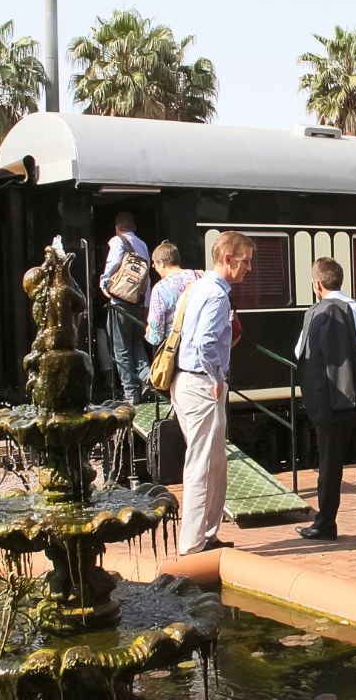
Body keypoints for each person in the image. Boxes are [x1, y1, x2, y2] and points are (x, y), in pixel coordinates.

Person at [294, 257, 356, 544]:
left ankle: (325, 524)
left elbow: (300, 351)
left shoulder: (315, 313)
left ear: (317, 285)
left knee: (330, 464)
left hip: (332, 401)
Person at [173, 230, 253, 555]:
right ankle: (193, 545)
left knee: (214, 463)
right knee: (203, 466)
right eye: (246, 261)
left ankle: (208, 533)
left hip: (189, 383)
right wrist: (216, 377)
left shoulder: (198, 287)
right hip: (202, 385)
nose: (249, 268)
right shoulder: (217, 295)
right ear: (228, 259)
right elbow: (205, 342)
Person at [99, 211, 151, 402]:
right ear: (134, 227)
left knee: (121, 348)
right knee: (136, 342)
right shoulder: (142, 244)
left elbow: (113, 264)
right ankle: (147, 377)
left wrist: (104, 284)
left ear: (117, 229)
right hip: (141, 302)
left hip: (121, 302)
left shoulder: (117, 242)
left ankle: (131, 393)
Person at [145, 241, 205, 346]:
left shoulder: (160, 288)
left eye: (154, 264)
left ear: (162, 263)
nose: (155, 268)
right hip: (203, 339)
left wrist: (149, 332)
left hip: (178, 347)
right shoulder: (199, 275)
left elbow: (156, 336)